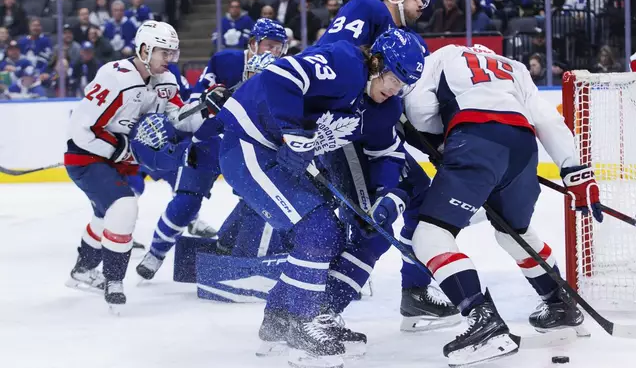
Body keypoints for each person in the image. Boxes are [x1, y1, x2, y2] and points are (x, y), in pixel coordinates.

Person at [216, 28, 424, 368]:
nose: (393, 89)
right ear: (376, 61)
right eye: (392, 78)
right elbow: (280, 74)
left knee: (330, 234)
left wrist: (385, 196)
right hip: (248, 145)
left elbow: (387, 153)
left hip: (278, 158)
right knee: (319, 231)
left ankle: (279, 323)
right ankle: (302, 326)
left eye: (402, 84)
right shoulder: (345, 62)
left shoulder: (385, 107)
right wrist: (292, 130)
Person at [403, 44, 602, 366]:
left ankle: (484, 323)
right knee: (514, 231)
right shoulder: (513, 65)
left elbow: (418, 106)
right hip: (523, 148)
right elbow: (546, 117)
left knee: (430, 236)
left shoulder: (442, 56)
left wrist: (440, 144)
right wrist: (575, 171)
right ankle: (560, 303)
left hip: (475, 139)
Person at [316, 0, 460, 333]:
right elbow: (329, 64)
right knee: (372, 227)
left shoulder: (409, 43)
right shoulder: (367, 8)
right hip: (345, 136)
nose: (423, 4)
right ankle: (318, 313)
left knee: (423, 197)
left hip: (375, 136)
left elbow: (400, 103)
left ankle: (414, 293)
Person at [134, 18, 289, 281]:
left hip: (249, 147)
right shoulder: (225, 62)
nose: (275, 53)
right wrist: (210, 103)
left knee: (256, 200)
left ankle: (232, 245)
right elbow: (192, 111)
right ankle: (156, 253)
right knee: (187, 199)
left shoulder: (282, 69)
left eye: (280, 48)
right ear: (253, 44)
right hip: (211, 140)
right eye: (270, 46)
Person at [63, 21, 203, 311]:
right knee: (124, 206)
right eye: (164, 52)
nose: (169, 59)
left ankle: (82, 270)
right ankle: (114, 280)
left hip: (122, 158)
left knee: (107, 214)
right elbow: (81, 129)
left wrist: (207, 108)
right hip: (88, 155)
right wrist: (121, 150)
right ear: (144, 49)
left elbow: (179, 119)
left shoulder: (166, 81)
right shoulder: (116, 77)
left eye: (172, 53)